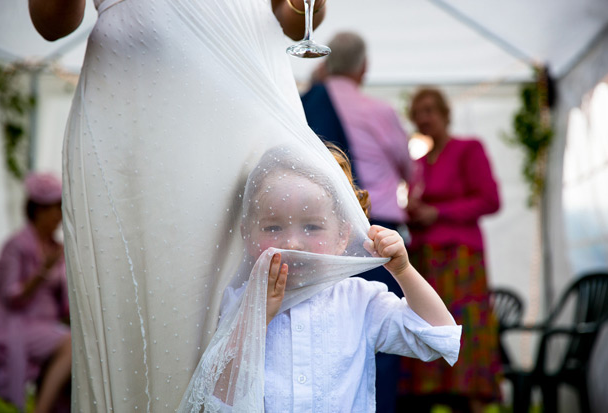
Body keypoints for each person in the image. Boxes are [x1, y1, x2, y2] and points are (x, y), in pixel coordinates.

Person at [27, 1, 414, 412]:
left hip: (250, 96)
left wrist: (305, 7)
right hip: (138, 101)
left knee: (263, 284)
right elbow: (51, 23)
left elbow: (295, 19)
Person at [179, 146, 461, 412]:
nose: (293, 243)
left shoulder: (361, 300)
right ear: (247, 235)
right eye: (273, 226)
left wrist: (403, 271)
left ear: (342, 237)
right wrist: (256, 318)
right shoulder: (236, 301)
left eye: (312, 226)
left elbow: (437, 337)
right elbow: (215, 398)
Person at [302, 31, 414, 411]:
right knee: (378, 325)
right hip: (378, 230)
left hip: (317, 232)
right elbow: (408, 169)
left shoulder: (305, 104)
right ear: (363, 68)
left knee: (322, 327)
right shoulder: (379, 111)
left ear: (325, 64)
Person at [400, 87, 502, 413]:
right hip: (425, 262)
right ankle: (431, 394)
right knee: (430, 325)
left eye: (430, 110)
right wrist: (413, 213)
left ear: (445, 113)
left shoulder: (468, 149)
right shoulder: (416, 164)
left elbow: (490, 200)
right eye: (418, 112)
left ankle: (470, 399)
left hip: (461, 259)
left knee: (464, 327)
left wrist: (438, 213)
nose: (423, 118)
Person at [0, 172, 71, 413]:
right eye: (56, 208)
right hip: (14, 324)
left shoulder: (57, 248)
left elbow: (64, 305)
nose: (60, 216)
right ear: (39, 210)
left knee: (83, 344)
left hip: (46, 325)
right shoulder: (16, 245)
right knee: (70, 343)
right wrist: (43, 270)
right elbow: (11, 298)